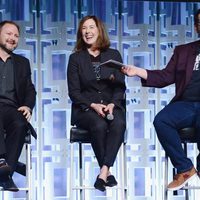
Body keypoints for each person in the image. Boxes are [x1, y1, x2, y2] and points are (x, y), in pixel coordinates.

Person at [121, 9, 200, 191]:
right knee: (161, 120)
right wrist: (137, 71)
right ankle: (186, 169)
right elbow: (165, 77)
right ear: (196, 27)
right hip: (186, 104)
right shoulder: (184, 51)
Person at [67, 15, 126, 192]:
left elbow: (120, 86)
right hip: (85, 109)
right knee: (99, 124)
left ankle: (103, 172)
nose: (87, 31)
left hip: (111, 106)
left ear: (99, 30)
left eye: (91, 27)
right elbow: (74, 92)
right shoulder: (75, 59)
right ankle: (107, 173)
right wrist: (93, 105)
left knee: (119, 123)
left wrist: (113, 104)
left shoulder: (114, 55)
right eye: (84, 28)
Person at [0, 21, 36, 192]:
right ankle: (2, 164)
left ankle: (7, 172)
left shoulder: (23, 63)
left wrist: (28, 106)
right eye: (8, 34)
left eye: (16, 36)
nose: (12, 38)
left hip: (11, 108)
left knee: (20, 122)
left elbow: (30, 89)